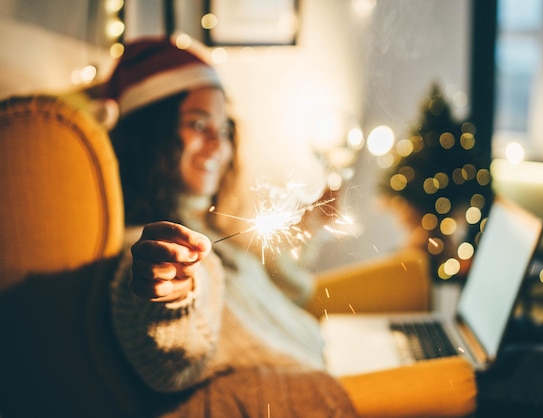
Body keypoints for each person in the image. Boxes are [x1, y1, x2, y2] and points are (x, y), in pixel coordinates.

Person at [104, 36, 356, 416]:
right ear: (151, 132)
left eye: (223, 130)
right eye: (198, 123)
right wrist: (175, 298)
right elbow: (167, 351)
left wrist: (311, 224)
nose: (216, 145)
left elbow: (282, 288)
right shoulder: (141, 246)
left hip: (329, 359)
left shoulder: (207, 224)